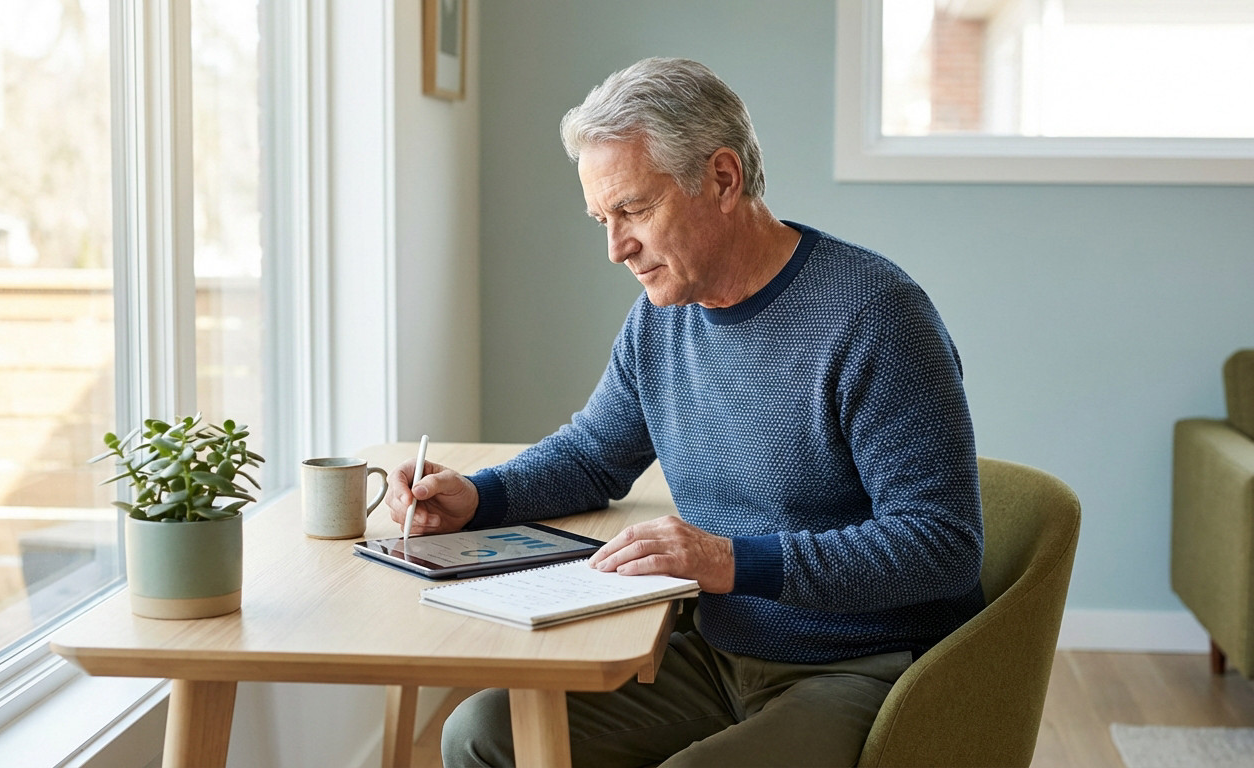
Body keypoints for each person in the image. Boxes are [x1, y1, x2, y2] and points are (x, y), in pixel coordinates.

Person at [386, 57, 985, 768]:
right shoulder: (660, 322)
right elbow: (590, 456)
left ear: (723, 180)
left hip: (862, 664)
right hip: (717, 651)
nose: (615, 249)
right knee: (483, 734)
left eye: (634, 211)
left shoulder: (874, 316)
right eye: (602, 220)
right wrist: (479, 498)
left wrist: (731, 561)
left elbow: (943, 545)